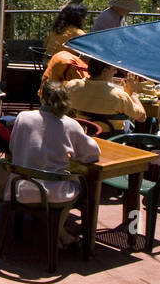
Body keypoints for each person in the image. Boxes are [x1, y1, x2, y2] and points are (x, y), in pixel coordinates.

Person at [8, 81, 100, 247]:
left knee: (50, 178)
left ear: (42, 97)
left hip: (19, 189)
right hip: (53, 194)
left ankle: (58, 233)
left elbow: (13, 146)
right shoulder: (71, 125)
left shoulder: (23, 117)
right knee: (78, 183)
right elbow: (92, 154)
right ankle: (59, 233)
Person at [65, 61, 146, 135]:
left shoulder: (72, 86)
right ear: (104, 71)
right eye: (114, 69)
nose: (116, 72)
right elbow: (142, 117)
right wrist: (133, 94)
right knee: (129, 124)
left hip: (81, 133)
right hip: (111, 136)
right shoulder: (119, 96)